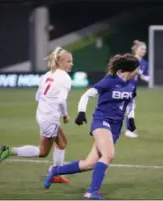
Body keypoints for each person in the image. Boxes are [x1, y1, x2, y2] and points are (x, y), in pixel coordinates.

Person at [43, 53, 139, 200]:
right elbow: (87, 94)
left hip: (116, 126)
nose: (138, 72)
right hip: (102, 121)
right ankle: (91, 192)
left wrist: (130, 118)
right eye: (137, 69)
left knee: (90, 163)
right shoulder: (109, 81)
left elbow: (131, 100)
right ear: (131, 69)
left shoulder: (133, 83)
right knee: (108, 155)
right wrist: (81, 112)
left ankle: (55, 170)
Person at [0, 47, 73, 183]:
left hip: (42, 114)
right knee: (43, 152)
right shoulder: (65, 78)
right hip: (50, 118)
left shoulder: (47, 75)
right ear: (60, 62)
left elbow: (38, 96)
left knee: (62, 143)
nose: (71, 64)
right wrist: (65, 115)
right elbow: (61, 100)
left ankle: (56, 173)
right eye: (68, 61)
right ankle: (10, 151)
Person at [125, 40, 149, 138]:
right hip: (124, 87)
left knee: (128, 108)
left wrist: (143, 76)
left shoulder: (144, 63)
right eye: (142, 49)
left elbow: (147, 77)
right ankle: (129, 130)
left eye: (145, 49)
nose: (144, 51)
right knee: (130, 108)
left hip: (133, 88)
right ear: (136, 50)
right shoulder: (129, 60)